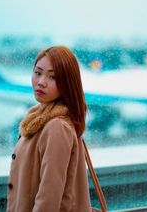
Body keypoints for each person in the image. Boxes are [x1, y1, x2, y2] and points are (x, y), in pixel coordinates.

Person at [6, 46, 91, 212]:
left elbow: (48, 199)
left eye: (52, 77)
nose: (41, 82)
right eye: (38, 73)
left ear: (67, 83)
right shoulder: (39, 119)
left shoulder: (56, 127)